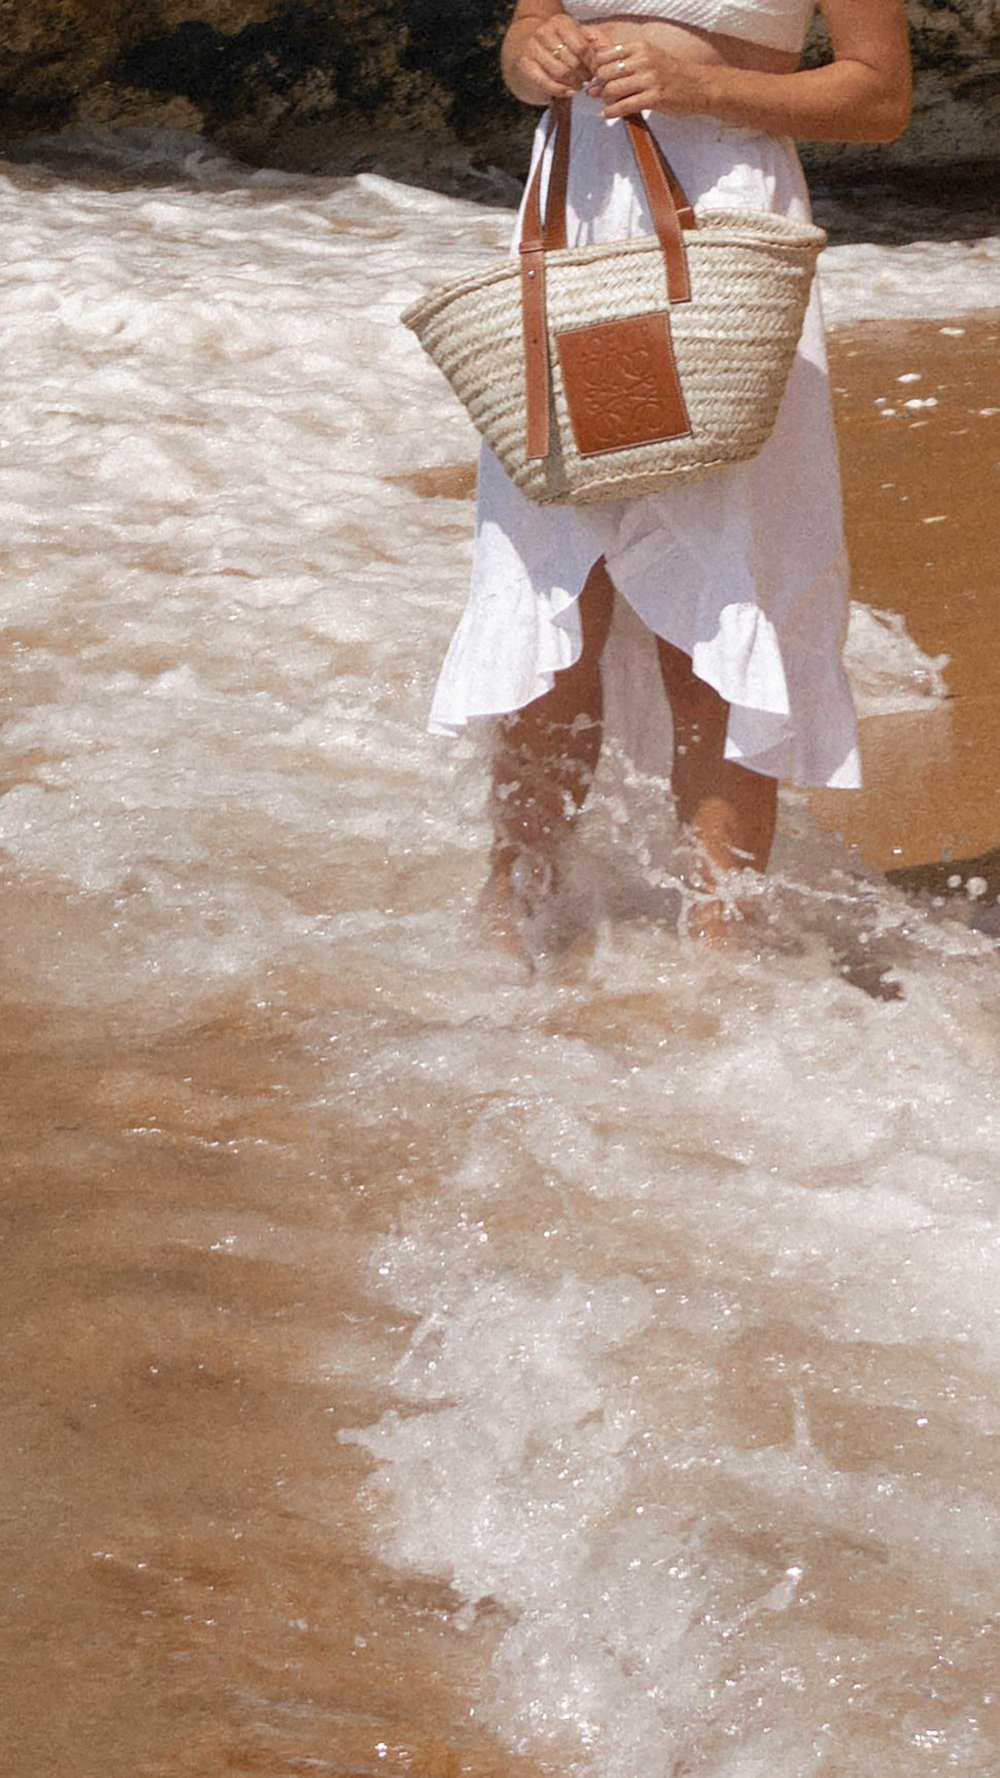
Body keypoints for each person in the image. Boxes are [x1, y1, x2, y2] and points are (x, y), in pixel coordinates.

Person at [428, 0, 912, 948]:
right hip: (579, 224)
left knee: (717, 600)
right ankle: (514, 923)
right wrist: (533, 58)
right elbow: (527, 30)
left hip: (724, 235)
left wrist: (704, 86)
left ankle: (720, 950)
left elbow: (879, 95)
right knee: (557, 593)